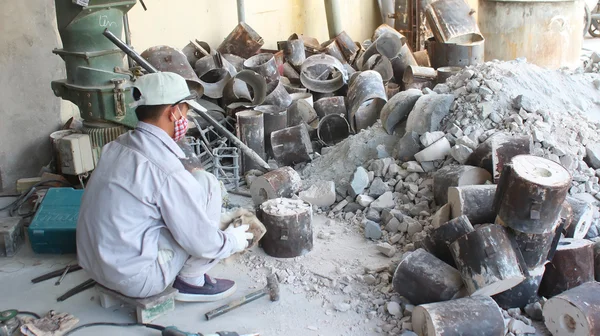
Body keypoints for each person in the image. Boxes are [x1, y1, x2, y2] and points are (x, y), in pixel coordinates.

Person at [76, 72, 252, 302]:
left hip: (94, 266)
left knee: (189, 194)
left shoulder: (115, 146)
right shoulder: (165, 170)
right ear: (173, 112)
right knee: (208, 185)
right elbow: (201, 242)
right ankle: (192, 281)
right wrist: (233, 241)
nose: (186, 120)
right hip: (137, 279)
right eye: (186, 111)